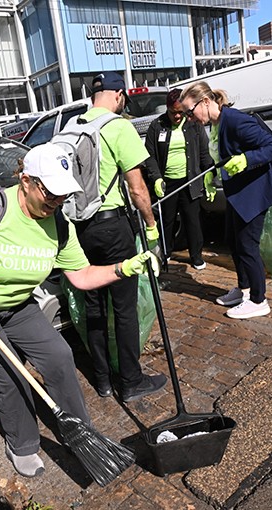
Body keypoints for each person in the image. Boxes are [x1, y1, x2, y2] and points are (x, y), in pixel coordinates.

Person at [0, 143, 158, 478]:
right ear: (25, 181)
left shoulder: (60, 226)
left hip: (18, 305)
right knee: (9, 378)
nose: (56, 202)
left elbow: (80, 276)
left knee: (59, 356)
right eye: (50, 193)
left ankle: (81, 436)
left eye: (63, 195)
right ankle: (22, 444)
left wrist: (124, 268)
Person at [74, 71, 167, 402]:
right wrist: (151, 224)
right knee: (124, 308)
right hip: (112, 227)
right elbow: (137, 187)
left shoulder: (71, 128)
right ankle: (130, 381)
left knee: (94, 305)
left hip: (78, 228)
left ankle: (102, 379)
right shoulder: (117, 126)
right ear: (118, 96)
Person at [179, 82, 272, 319]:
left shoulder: (235, 120)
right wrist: (212, 175)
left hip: (254, 192)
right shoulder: (216, 125)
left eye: (190, 111)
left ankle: (259, 300)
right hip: (237, 192)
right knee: (233, 241)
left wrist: (247, 159)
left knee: (248, 246)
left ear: (205, 102)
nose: (190, 118)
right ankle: (244, 288)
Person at [144, 88, 214, 270]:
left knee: (192, 219)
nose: (177, 116)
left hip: (190, 179)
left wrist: (209, 174)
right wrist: (156, 178)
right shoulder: (157, 125)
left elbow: (204, 152)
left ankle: (196, 256)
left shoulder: (193, 124)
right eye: (173, 112)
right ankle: (165, 253)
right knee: (167, 220)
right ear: (167, 109)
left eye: (180, 112)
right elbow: (149, 155)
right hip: (168, 182)